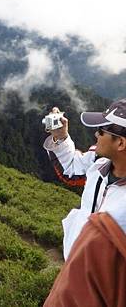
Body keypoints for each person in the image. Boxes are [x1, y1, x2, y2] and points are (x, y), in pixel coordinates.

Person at [43, 99, 126, 261]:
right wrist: (61, 137)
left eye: (101, 130)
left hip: (101, 282)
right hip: (77, 266)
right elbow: (72, 168)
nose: (96, 134)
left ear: (121, 143)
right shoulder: (99, 160)